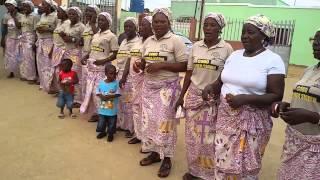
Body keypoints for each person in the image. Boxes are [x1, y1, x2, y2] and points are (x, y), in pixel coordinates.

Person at [202, 14, 285, 179]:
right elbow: (220, 81)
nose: (245, 36)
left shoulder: (273, 60)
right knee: (222, 157)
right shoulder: (234, 56)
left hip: (252, 122)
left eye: (251, 32)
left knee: (246, 165)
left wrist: (245, 99)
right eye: (243, 32)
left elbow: (276, 95)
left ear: (264, 36)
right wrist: (211, 87)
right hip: (226, 118)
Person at [175, 13, 233, 180]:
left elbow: (228, 75)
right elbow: (189, 73)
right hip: (194, 98)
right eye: (206, 24)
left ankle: (208, 175)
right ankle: (194, 171)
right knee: (192, 138)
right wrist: (181, 95)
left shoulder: (227, 49)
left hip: (213, 101)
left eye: (212, 25)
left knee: (210, 140)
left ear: (220, 28)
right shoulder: (195, 47)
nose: (208, 28)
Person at [135, 8, 188, 178]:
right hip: (149, 87)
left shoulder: (176, 41)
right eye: (155, 22)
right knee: (150, 122)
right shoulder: (148, 41)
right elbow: (144, 61)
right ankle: (156, 153)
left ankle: (167, 159)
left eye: (162, 21)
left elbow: (185, 65)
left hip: (167, 89)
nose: (158, 25)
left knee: (165, 124)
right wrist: (140, 65)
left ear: (169, 22)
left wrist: (162, 65)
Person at [274, 29, 320, 180]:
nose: (316, 44)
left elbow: (311, 112)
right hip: (295, 142)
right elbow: (306, 98)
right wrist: (288, 105)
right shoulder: (309, 70)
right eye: (315, 40)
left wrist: (312, 116)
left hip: (315, 147)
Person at [80, 12, 118, 122]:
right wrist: (85, 57)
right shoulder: (95, 35)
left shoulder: (111, 36)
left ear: (109, 22)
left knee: (101, 92)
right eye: (99, 20)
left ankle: (103, 114)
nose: (100, 22)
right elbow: (92, 49)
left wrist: (103, 61)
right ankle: (96, 112)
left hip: (103, 69)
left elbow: (115, 53)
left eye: (102, 20)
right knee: (92, 91)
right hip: (92, 67)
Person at [128, 15, 153, 145]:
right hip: (134, 80)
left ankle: (146, 137)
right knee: (136, 107)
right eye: (140, 25)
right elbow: (130, 58)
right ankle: (138, 134)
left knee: (145, 109)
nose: (141, 27)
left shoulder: (152, 44)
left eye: (144, 25)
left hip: (145, 80)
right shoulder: (138, 41)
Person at [117, 17, 140, 138]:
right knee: (121, 102)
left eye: (130, 26)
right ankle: (122, 124)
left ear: (136, 28)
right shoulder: (124, 41)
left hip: (129, 77)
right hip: (119, 74)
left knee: (129, 103)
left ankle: (130, 128)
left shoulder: (137, 42)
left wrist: (124, 76)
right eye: (125, 26)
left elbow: (130, 61)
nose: (127, 29)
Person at [60, 6, 85, 107]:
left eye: (73, 14)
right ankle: (70, 95)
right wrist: (68, 38)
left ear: (78, 15)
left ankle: (78, 99)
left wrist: (72, 39)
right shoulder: (66, 24)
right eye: (69, 14)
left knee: (76, 74)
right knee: (68, 74)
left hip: (76, 53)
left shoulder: (81, 27)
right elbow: (62, 35)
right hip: (67, 51)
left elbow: (81, 41)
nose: (71, 16)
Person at [79, 5, 100, 107]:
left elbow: (98, 37)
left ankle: (94, 108)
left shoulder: (99, 24)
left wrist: (92, 23)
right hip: (85, 55)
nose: (87, 13)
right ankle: (85, 104)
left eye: (91, 11)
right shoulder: (86, 25)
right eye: (86, 11)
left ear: (96, 14)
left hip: (94, 57)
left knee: (93, 84)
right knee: (85, 81)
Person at [36, 0, 57, 91]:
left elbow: (57, 30)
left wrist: (47, 29)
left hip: (49, 41)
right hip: (41, 40)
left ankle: (50, 85)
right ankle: (43, 83)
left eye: (44, 4)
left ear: (49, 6)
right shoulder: (43, 16)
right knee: (40, 62)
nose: (42, 6)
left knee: (48, 63)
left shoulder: (55, 16)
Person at [96, 64, 121, 142]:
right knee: (101, 123)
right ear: (106, 74)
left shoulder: (116, 83)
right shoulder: (101, 82)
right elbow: (97, 91)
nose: (113, 75)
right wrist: (101, 96)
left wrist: (110, 96)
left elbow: (118, 93)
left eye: (114, 73)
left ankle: (110, 134)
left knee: (112, 124)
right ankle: (103, 132)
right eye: (111, 73)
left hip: (112, 110)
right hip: (102, 109)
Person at [47, 5, 69, 94]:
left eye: (59, 11)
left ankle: (63, 90)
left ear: (64, 13)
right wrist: (52, 49)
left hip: (63, 50)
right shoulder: (59, 22)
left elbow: (66, 38)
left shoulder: (67, 23)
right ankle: (57, 88)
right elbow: (55, 37)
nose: (57, 14)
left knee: (60, 71)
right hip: (56, 49)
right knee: (55, 70)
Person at [19, 0, 39, 84]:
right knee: (23, 57)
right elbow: (21, 27)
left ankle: (32, 77)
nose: (24, 8)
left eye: (26, 6)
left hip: (30, 38)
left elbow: (36, 30)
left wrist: (35, 42)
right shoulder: (22, 16)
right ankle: (24, 75)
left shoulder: (35, 16)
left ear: (31, 7)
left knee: (30, 58)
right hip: (23, 37)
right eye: (23, 6)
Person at [1, 0, 22, 79]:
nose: (8, 7)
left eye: (10, 5)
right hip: (9, 38)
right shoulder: (5, 16)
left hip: (19, 38)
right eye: (7, 6)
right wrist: (3, 39)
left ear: (14, 6)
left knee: (20, 55)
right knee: (10, 55)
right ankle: (11, 71)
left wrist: (14, 17)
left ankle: (22, 71)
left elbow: (20, 27)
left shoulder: (20, 16)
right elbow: (4, 29)